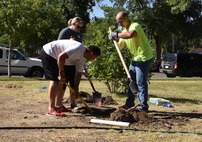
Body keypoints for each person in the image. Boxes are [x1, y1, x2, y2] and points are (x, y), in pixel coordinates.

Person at [40, 40, 101, 116]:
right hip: (49, 53)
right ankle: (51, 109)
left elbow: (78, 73)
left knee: (62, 82)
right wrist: (61, 73)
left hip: (59, 58)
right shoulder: (78, 48)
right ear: (91, 53)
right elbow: (61, 57)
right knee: (55, 80)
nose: (94, 60)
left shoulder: (83, 58)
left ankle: (59, 106)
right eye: (94, 58)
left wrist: (76, 88)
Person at [108, 11, 153, 112]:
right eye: (117, 22)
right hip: (136, 58)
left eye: (120, 21)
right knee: (131, 81)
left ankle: (143, 107)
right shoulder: (124, 31)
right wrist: (113, 40)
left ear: (126, 18)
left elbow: (130, 34)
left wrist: (116, 34)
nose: (119, 24)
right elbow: (120, 46)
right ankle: (129, 104)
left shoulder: (134, 26)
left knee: (140, 82)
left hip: (144, 57)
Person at [57, 17, 84, 109]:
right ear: (73, 23)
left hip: (74, 62)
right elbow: (59, 45)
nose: (79, 29)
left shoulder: (78, 34)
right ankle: (59, 103)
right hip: (64, 62)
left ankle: (74, 104)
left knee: (74, 83)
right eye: (78, 26)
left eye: (80, 27)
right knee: (63, 83)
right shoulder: (65, 31)